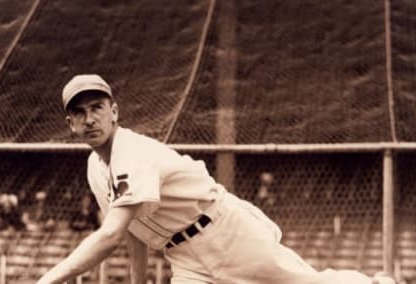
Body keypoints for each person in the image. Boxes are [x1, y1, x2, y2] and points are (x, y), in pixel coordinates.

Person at [37, 74, 396, 284]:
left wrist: (47, 280)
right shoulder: (95, 167)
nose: (90, 119)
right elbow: (128, 231)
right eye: (79, 113)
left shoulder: (132, 151)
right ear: (70, 124)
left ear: (114, 111)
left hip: (225, 232)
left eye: (97, 107)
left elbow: (109, 236)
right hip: (184, 257)